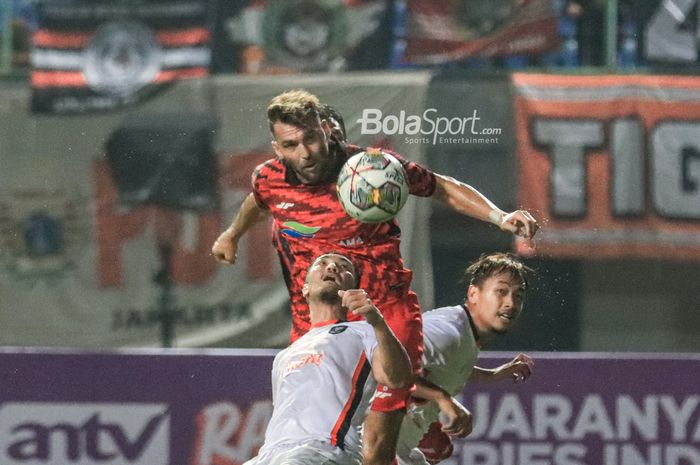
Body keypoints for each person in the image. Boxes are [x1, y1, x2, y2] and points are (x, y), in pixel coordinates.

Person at [212, 89, 538, 465]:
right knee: (318, 428)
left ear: (326, 132)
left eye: (311, 139)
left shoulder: (371, 169)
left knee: (378, 440)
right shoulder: (269, 178)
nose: (305, 152)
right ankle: (413, 441)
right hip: (318, 321)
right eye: (291, 144)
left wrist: (499, 216)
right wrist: (231, 234)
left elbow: (440, 186)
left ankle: (406, 433)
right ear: (277, 147)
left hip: (384, 312)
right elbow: (259, 198)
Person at [244, 252, 412, 465]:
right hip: (271, 453)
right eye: (322, 264)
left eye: (344, 268)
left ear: (352, 289)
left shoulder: (364, 330)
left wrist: (377, 321)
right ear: (305, 289)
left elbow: (397, 379)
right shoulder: (285, 355)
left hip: (324, 449)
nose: (332, 267)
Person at [397, 252, 534, 465]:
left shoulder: (465, 334)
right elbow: (387, 369)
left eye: (519, 295)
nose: (511, 303)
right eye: (501, 291)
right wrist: (444, 399)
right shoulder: (447, 332)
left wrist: (493, 375)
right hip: (371, 447)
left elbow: (447, 364)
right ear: (473, 294)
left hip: (395, 447)